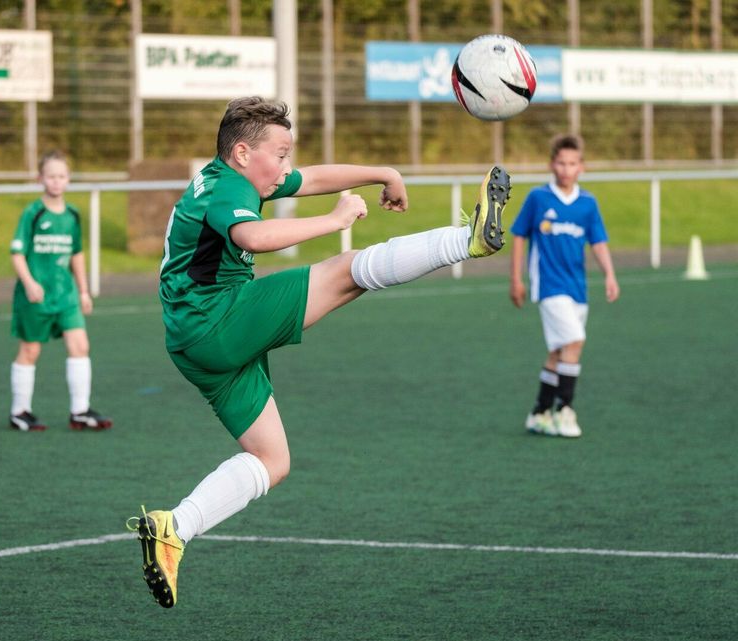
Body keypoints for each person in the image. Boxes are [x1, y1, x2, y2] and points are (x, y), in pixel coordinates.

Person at [126, 96, 511, 608]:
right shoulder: (226, 189)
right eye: (280, 154)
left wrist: (383, 172)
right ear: (242, 152)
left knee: (272, 459)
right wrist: (335, 220)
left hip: (193, 340)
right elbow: (254, 235)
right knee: (345, 270)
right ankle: (468, 241)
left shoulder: (234, 175)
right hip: (214, 320)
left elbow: (311, 178)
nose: (286, 167)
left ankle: (174, 527)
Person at [509, 134, 619, 438]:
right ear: (551, 165)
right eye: (561, 163)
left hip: (577, 288)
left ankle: (539, 413)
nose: (566, 169)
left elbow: (598, 241)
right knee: (575, 340)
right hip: (548, 286)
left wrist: (609, 274)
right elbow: (519, 235)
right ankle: (565, 410)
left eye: (572, 164)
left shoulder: (587, 203)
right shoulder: (538, 198)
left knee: (560, 351)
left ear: (581, 167)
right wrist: (516, 278)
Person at [8, 150, 112, 432]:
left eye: (62, 176)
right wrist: (30, 283)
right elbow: (17, 253)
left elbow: (76, 254)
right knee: (30, 350)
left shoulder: (72, 214)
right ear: (40, 178)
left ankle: (79, 410)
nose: (56, 181)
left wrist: (83, 291)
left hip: (65, 296)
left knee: (80, 346)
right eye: (51, 176)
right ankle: (20, 411)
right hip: (36, 296)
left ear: (68, 179)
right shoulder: (33, 212)